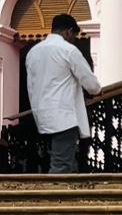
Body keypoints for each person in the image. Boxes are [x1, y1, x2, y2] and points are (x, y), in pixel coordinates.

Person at [23, 13, 101, 175]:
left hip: (41, 114)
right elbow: (91, 84)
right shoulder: (68, 50)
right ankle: (54, 197)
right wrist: (96, 90)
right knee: (61, 165)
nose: (74, 39)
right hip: (64, 116)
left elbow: (31, 84)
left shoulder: (33, 52)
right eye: (74, 35)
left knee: (64, 162)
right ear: (68, 32)